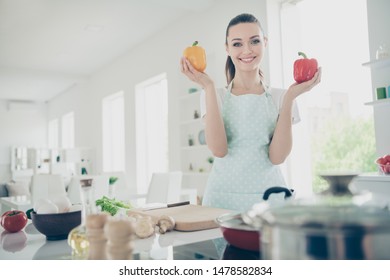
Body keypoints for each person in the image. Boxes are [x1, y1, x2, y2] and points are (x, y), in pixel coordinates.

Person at [180, 13, 321, 213]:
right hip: (222, 201)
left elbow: (277, 157)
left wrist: (290, 98)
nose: (247, 50)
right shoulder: (213, 95)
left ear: (265, 42)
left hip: (270, 199)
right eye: (237, 44)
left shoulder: (282, 97)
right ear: (227, 48)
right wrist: (208, 86)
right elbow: (219, 150)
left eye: (254, 41)